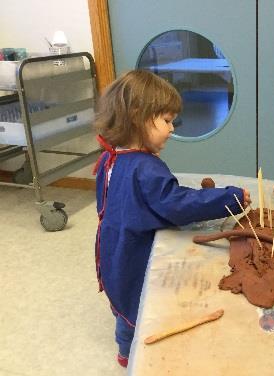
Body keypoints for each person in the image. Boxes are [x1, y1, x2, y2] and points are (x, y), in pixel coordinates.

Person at [93, 70, 251, 368]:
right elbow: (178, 204)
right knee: (139, 303)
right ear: (138, 116)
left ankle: (125, 351)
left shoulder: (108, 158)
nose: (171, 129)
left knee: (122, 301)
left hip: (111, 249)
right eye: (166, 121)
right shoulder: (146, 168)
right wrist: (229, 198)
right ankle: (142, 361)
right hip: (135, 254)